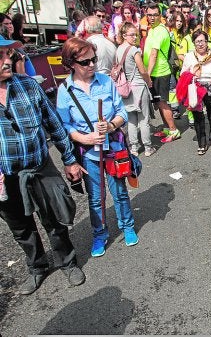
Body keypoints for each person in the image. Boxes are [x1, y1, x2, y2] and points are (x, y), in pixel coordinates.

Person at [0, 37, 86, 295]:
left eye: (8, 53)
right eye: (0, 55)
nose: (8, 60)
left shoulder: (27, 85)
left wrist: (69, 160)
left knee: (54, 219)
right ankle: (37, 267)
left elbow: (54, 124)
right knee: (20, 228)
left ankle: (68, 262)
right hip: (6, 179)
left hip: (39, 168)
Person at [57, 37, 139, 258]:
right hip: (89, 153)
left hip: (112, 148)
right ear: (71, 63)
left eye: (93, 59)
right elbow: (63, 124)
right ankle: (99, 234)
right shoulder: (65, 90)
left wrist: (111, 124)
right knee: (95, 197)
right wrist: (84, 139)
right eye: (85, 62)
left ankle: (127, 226)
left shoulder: (105, 81)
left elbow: (122, 112)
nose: (92, 65)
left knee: (119, 192)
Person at [181, 30, 211, 155]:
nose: (200, 44)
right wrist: (191, 77)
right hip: (196, 89)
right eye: (197, 42)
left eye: (202, 41)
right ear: (193, 43)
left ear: (207, 42)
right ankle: (202, 143)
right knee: (198, 117)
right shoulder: (189, 57)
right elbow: (183, 74)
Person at [116, 22, 155, 157]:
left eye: (136, 34)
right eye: (132, 35)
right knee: (143, 119)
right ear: (124, 35)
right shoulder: (134, 50)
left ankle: (134, 147)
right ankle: (148, 147)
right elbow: (142, 70)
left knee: (131, 119)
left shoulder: (119, 49)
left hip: (125, 88)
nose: (134, 37)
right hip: (138, 86)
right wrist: (148, 81)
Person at [143, 3, 181, 143]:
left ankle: (173, 130)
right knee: (159, 102)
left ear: (160, 16)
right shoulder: (152, 29)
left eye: (155, 15)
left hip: (160, 72)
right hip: (154, 72)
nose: (152, 18)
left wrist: (147, 74)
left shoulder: (160, 30)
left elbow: (154, 54)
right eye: (149, 15)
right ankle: (166, 128)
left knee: (163, 103)